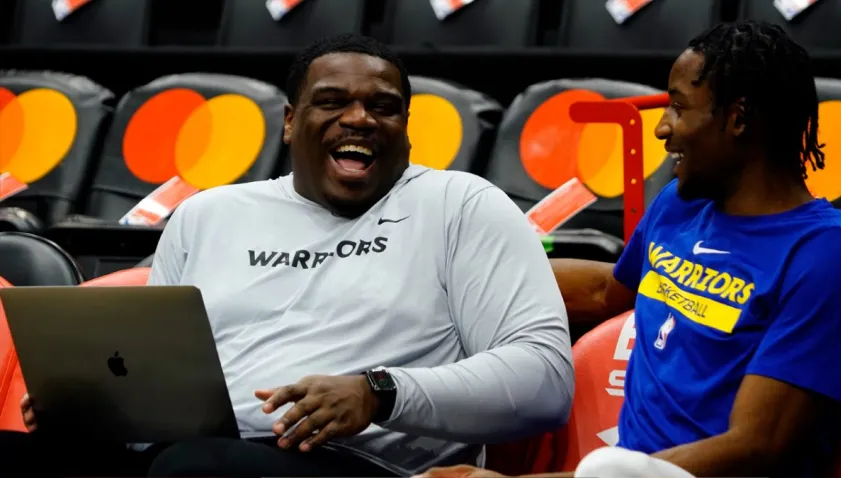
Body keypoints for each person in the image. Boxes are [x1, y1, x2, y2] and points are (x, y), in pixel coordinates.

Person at [6, 34, 574, 477]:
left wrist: (378, 392)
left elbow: (544, 380)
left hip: (366, 465)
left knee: (196, 467)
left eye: (385, 107)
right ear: (290, 122)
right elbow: (157, 379)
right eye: (331, 102)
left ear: (406, 128)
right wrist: (93, 403)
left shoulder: (462, 204)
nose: (359, 119)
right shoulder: (209, 214)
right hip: (195, 455)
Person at [419, 20, 841, 478]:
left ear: (738, 118)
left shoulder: (828, 255)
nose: (662, 128)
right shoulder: (678, 204)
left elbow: (755, 448)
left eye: (679, 109)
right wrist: (447, 281)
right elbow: (609, 292)